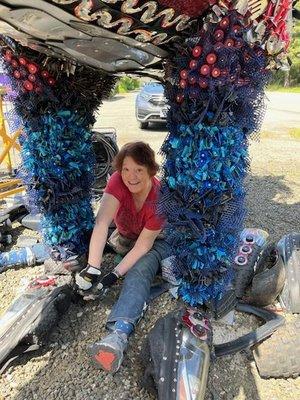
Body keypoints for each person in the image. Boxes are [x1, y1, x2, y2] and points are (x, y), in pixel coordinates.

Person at [75, 141, 171, 373]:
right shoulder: (117, 180)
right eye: (126, 169)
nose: (132, 176)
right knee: (81, 239)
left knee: (139, 270)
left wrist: (111, 277)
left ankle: (118, 335)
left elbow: (141, 247)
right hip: (124, 236)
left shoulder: (159, 200)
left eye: (139, 169)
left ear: (151, 170)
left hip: (155, 242)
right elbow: (102, 222)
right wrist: (93, 268)